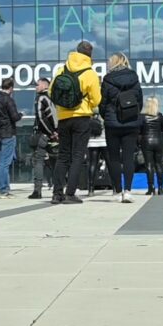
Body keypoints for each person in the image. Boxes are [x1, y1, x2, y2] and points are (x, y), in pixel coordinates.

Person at [50, 41, 102, 205]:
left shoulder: (62, 69)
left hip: (63, 117)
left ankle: (56, 193)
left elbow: (52, 91)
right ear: (90, 55)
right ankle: (70, 193)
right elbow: (96, 99)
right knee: (78, 155)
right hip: (81, 118)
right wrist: (88, 104)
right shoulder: (90, 73)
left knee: (63, 155)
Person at [101, 52, 143, 203]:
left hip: (113, 124)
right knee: (128, 158)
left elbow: (103, 103)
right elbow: (140, 100)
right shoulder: (134, 78)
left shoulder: (107, 79)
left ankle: (117, 191)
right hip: (131, 122)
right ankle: (128, 191)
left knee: (114, 158)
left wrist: (106, 116)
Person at [0, 77, 23, 198]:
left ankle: (1, 189)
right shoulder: (8, 100)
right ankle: (3, 190)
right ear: (11, 88)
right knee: (5, 164)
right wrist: (21, 114)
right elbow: (15, 117)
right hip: (8, 134)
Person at [29, 77, 58, 199]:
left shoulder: (41, 98)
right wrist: (56, 132)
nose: (35, 87)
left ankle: (37, 190)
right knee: (55, 162)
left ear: (44, 85)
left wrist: (51, 132)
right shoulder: (53, 98)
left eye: (37, 85)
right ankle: (58, 189)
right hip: (55, 135)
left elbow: (41, 118)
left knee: (39, 161)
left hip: (44, 135)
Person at [139, 97, 163, 195]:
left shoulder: (142, 117)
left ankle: (151, 188)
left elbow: (139, 131)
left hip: (146, 141)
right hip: (159, 141)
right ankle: (161, 188)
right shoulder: (160, 116)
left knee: (149, 165)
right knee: (159, 164)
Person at [84, 113, 108, 197]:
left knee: (92, 164)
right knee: (109, 163)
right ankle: (115, 188)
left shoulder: (89, 115)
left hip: (92, 141)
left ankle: (91, 189)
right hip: (105, 141)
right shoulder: (104, 113)